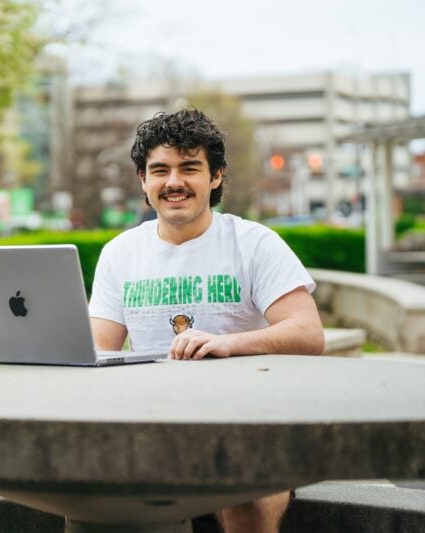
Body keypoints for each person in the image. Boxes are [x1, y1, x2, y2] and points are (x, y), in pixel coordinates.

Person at [88, 109, 324, 533]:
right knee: (92, 498)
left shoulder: (254, 244)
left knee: (244, 506)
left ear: (215, 176)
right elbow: (96, 347)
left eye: (189, 168)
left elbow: (309, 333)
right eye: (159, 170)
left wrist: (230, 343)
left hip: (249, 426)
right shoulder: (120, 253)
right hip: (150, 426)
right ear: (143, 180)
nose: (173, 181)